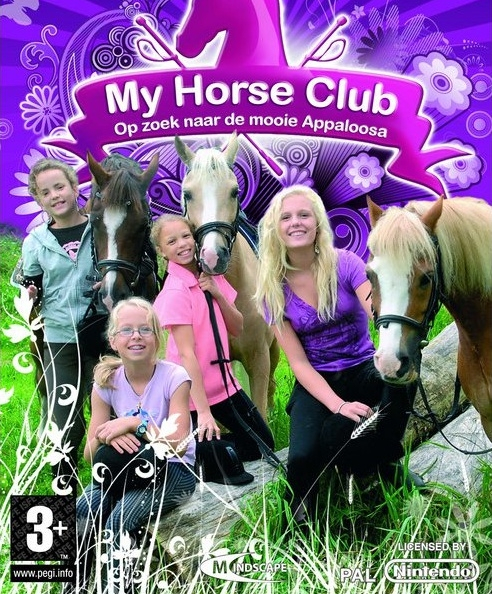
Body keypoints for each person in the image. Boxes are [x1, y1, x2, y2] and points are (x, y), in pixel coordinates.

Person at [254, 185, 422, 525]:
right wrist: (338, 405)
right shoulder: (272, 289)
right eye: (286, 217)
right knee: (302, 458)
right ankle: (302, 510)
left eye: (304, 215)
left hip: (363, 367)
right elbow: (298, 363)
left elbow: (377, 312)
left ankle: (387, 461)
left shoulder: (345, 263)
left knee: (403, 379)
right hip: (318, 379)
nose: (296, 222)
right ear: (275, 228)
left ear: (317, 221)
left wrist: (397, 340)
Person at [75, 297, 196, 593]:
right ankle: (72, 585)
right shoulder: (106, 383)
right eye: (126, 330)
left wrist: (135, 424)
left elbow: (179, 444)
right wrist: (108, 434)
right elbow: (89, 454)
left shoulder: (175, 377)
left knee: (119, 520)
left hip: (174, 470)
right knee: (80, 509)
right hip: (127, 467)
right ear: (113, 341)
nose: (136, 336)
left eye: (145, 329)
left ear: (157, 338)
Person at [151, 214, 275, 478]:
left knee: (263, 443)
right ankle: (186, 451)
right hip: (194, 396)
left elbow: (237, 327)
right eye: (172, 241)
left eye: (186, 236)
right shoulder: (174, 292)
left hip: (225, 386)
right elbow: (187, 355)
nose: (182, 244)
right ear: (161, 251)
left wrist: (217, 293)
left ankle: (198, 450)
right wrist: (204, 412)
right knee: (220, 453)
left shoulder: (211, 276)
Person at [14, 157, 102, 493]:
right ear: (38, 200)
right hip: (60, 339)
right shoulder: (35, 241)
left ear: (74, 187)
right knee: (63, 422)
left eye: (60, 187)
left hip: (103, 335)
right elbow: (31, 284)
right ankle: (62, 497)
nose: (55, 195)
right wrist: (30, 293)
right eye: (46, 192)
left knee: (111, 416)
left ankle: (111, 497)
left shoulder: (100, 229)